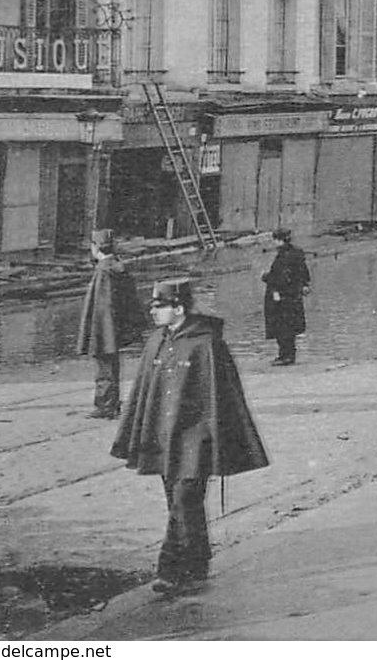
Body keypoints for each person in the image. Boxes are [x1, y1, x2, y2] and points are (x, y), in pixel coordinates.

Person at [111, 278, 268, 597]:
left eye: (160, 307)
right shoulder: (157, 341)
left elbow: (221, 396)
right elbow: (146, 392)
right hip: (164, 439)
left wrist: (217, 439)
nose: (153, 313)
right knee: (179, 503)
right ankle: (198, 562)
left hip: (196, 441)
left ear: (179, 308)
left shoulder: (206, 344)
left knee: (184, 501)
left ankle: (170, 570)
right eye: (153, 307)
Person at [76, 230, 144, 418]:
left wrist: (96, 330)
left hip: (104, 326)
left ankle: (105, 405)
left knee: (103, 365)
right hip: (114, 325)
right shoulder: (117, 266)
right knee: (110, 364)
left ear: (96, 247)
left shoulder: (104, 271)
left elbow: (101, 305)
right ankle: (111, 403)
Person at [262, 228, 312, 365]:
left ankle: (286, 356)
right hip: (293, 295)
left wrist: (267, 278)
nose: (273, 243)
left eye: (274, 239)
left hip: (282, 296)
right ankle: (287, 354)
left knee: (282, 326)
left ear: (279, 240)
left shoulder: (284, 256)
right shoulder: (295, 253)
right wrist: (304, 285)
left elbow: (281, 277)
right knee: (289, 326)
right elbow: (303, 272)